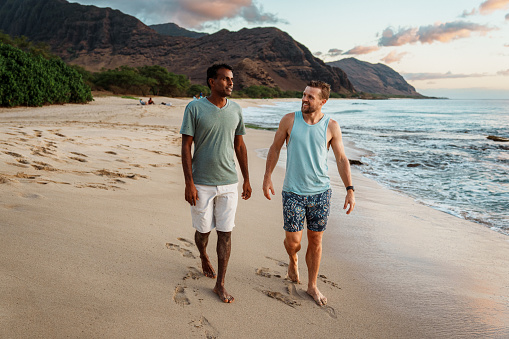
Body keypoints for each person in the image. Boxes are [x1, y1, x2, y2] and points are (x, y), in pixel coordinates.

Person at [262, 80, 355, 306]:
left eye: (310, 97)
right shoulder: (289, 120)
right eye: (304, 95)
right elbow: (275, 148)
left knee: (315, 240)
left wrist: (350, 189)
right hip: (293, 191)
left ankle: (312, 285)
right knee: (293, 241)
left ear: (323, 101)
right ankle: (293, 260)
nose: (304, 99)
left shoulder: (331, 126)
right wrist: (267, 177)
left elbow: (341, 159)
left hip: (320, 193)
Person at [180, 63, 252, 303]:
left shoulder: (236, 110)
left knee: (225, 233)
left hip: (229, 182)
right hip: (201, 183)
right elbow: (186, 146)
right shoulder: (195, 108)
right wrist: (189, 183)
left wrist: (246, 179)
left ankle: (220, 284)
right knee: (203, 232)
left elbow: (239, 146)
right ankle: (202, 254)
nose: (231, 83)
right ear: (212, 81)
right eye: (226, 79)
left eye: (232, 79)